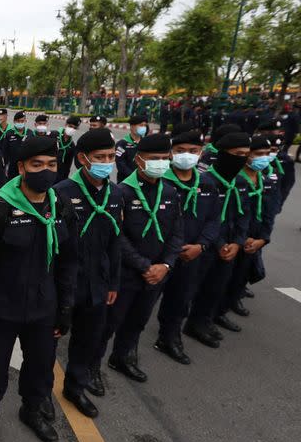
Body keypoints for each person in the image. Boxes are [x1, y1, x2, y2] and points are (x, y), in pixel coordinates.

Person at [0, 136, 78, 442]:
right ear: (21, 168)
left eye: (51, 165)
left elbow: (68, 262)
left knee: (41, 367)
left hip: (44, 309)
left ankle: (31, 410)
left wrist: (66, 306)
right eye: (37, 165)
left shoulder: (62, 209)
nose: (46, 171)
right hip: (3, 310)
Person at [99, 134, 184, 383]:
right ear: (138, 160)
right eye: (152, 159)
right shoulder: (120, 192)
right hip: (127, 273)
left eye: (163, 158)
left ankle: (124, 357)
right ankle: (92, 367)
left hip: (157, 275)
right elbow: (117, 237)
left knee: (138, 321)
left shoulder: (170, 192)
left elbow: (177, 233)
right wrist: (145, 265)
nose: (159, 163)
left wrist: (166, 265)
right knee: (109, 324)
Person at [53, 128, 122, 414]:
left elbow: (115, 242)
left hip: (98, 283)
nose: (107, 162)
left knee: (88, 340)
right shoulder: (60, 193)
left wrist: (113, 282)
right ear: (82, 159)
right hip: (66, 285)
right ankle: (41, 393)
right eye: (100, 157)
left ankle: (75, 387)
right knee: (49, 344)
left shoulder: (115, 194)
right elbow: (53, 246)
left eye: (110, 156)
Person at [155, 129, 221, 362]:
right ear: (171, 154)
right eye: (180, 151)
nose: (186, 155)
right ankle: (124, 349)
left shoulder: (207, 184)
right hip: (160, 256)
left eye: (192, 151)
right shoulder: (159, 181)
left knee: (181, 299)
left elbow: (214, 219)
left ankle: (169, 338)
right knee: (140, 306)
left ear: (201, 153)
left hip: (191, 254)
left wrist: (201, 246)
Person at [185, 133, 251, 343]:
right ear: (223, 155)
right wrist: (220, 244)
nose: (242, 159)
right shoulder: (204, 182)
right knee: (193, 288)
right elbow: (205, 219)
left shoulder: (240, 182)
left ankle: (205, 320)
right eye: (237, 154)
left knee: (217, 287)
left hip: (231, 246)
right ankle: (189, 325)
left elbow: (244, 215)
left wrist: (237, 242)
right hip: (207, 245)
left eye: (245, 155)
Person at [217, 135, 281, 326]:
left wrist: (263, 238)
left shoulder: (268, 178)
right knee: (222, 280)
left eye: (267, 154)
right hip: (235, 239)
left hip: (256, 238)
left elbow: (270, 212)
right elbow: (230, 215)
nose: (264, 158)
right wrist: (238, 239)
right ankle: (212, 313)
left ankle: (226, 306)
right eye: (258, 154)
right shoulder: (235, 180)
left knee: (241, 277)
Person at [1, 112, 35, 178]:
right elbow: (4, 152)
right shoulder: (9, 133)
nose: (20, 123)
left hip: (26, 166)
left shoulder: (30, 133)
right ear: (14, 121)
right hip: (12, 166)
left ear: (25, 121)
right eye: (18, 121)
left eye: (22, 121)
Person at [115, 115, 148, 182]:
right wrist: (135, 176)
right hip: (126, 181)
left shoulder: (146, 143)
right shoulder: (122, 144)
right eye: (141, 125)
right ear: (132, 127)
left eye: (145, 125)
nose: (143, 128)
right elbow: (121, 165)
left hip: (144, 180)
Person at [53, 116, 80, 182]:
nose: (72, 129)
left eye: (75, 128)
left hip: (60, 176)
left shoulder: (72, 145)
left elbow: (68, 165)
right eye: (70, 126)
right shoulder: (53, 135)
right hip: (48, 171)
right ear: (66, 125)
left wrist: (64, 180)